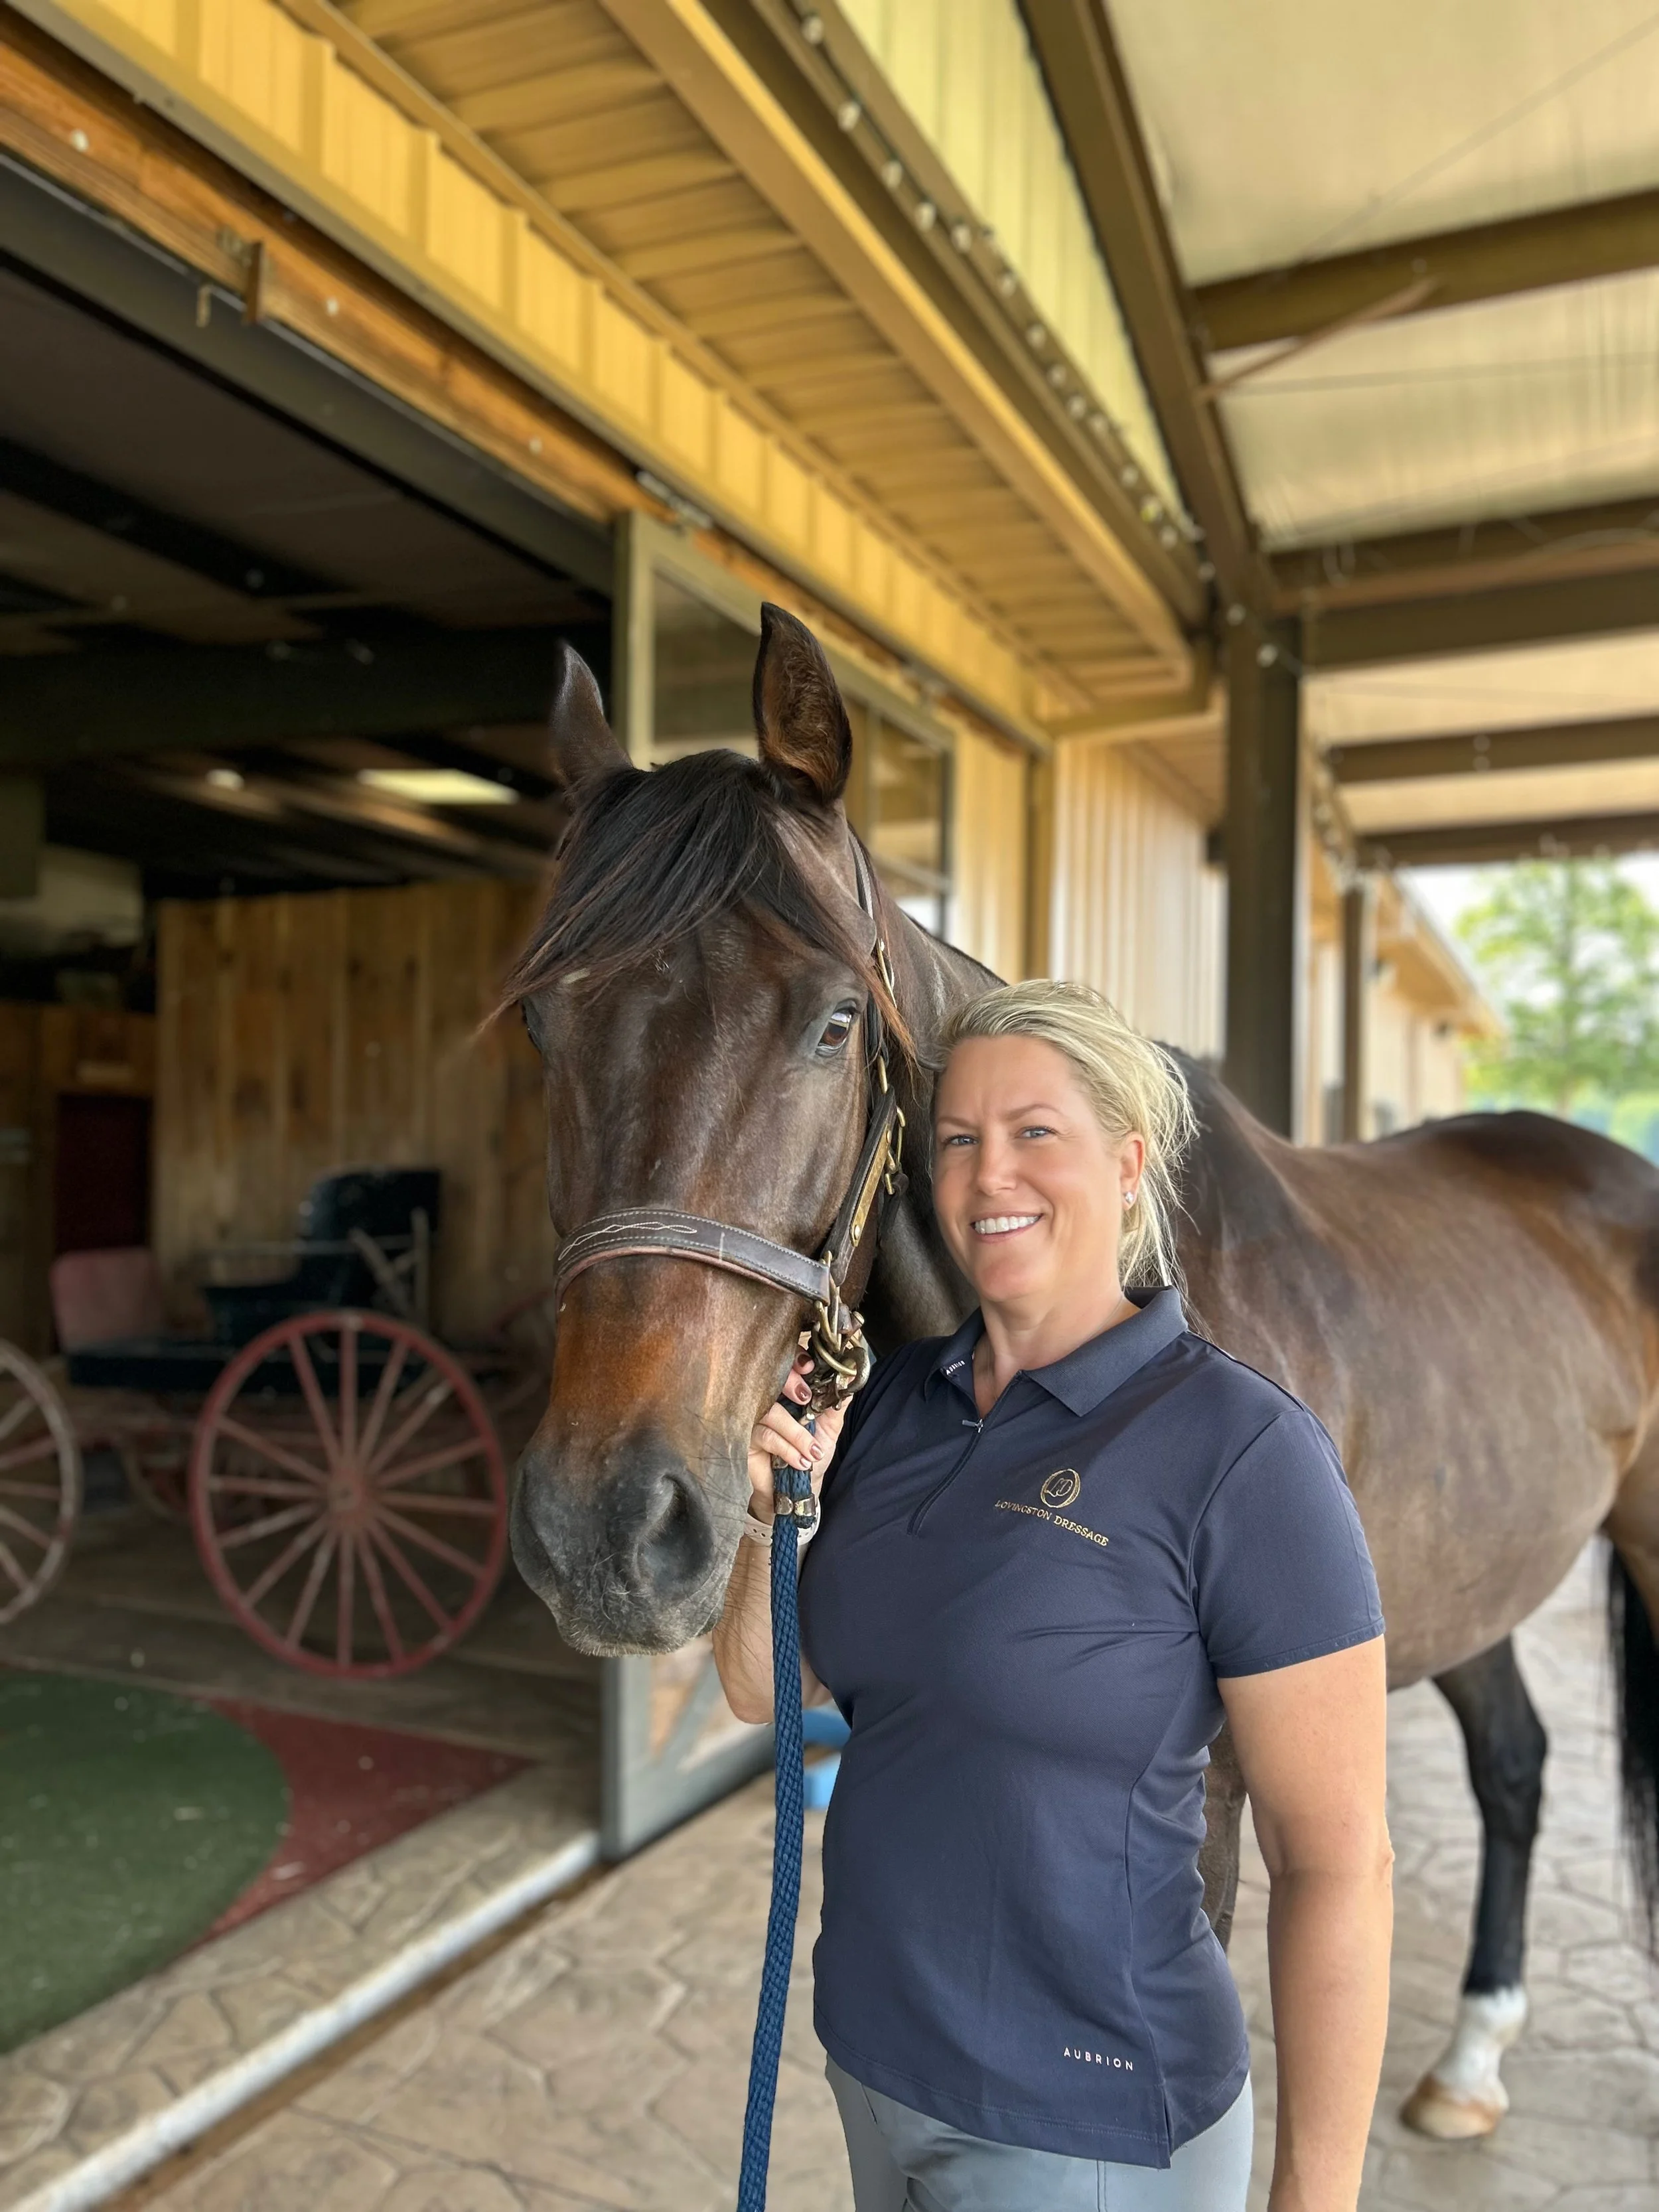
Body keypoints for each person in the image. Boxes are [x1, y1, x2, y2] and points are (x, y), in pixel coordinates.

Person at [713, 979, 1392, 2212]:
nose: (989, 1176)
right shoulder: (889, 1406)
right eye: (960, 1141)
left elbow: (1337, 1858)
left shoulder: (1240, 1450)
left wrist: (1320, 2196)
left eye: (1036, 1134)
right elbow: (766, 1684)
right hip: (875, 2068)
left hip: (1089, 2124)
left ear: (1129, 1163)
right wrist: (775, 1506)